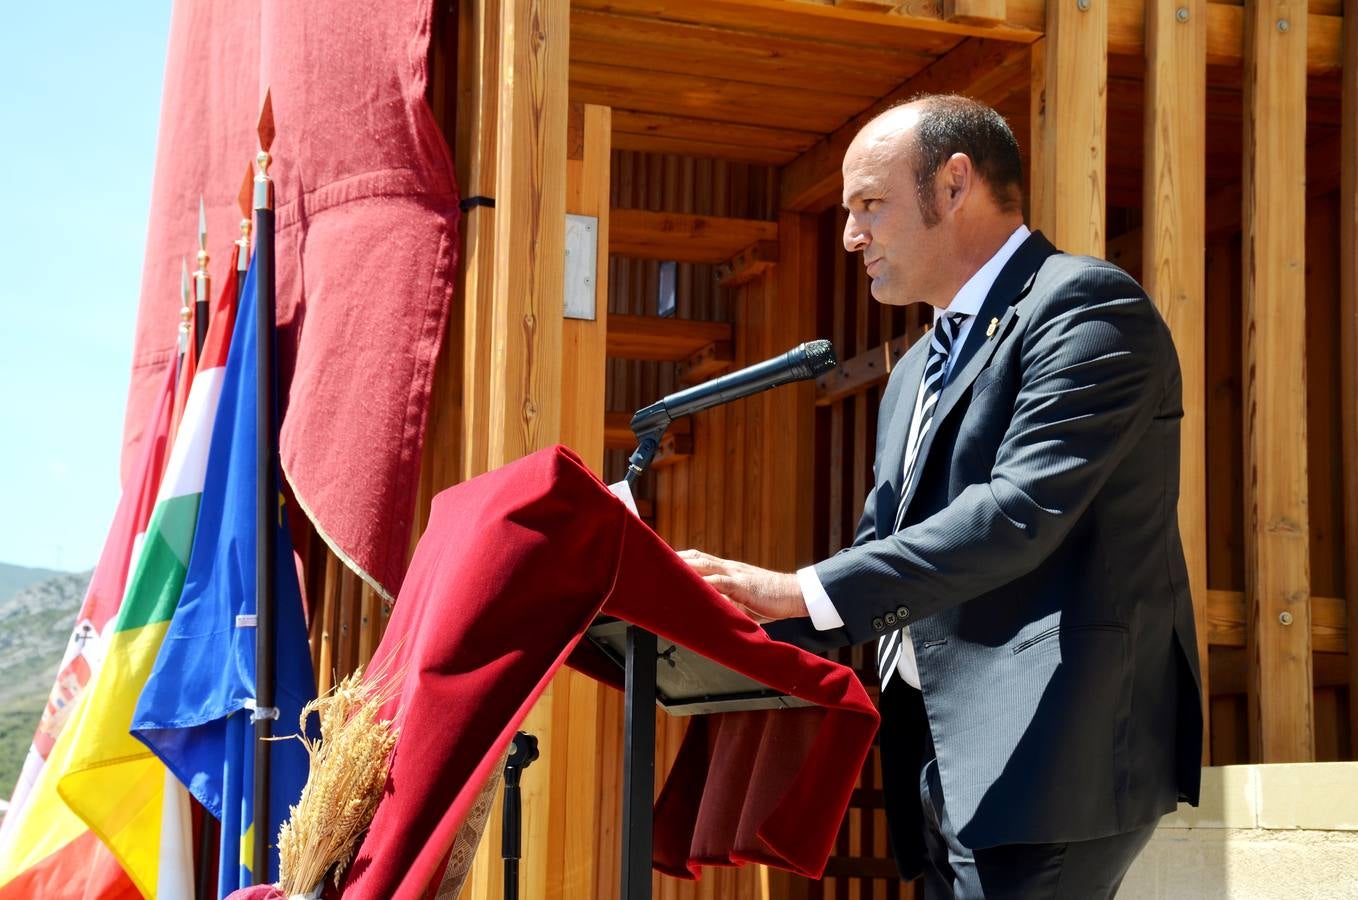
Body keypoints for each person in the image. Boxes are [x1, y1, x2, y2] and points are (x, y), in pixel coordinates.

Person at [678, 95, 1202, 899]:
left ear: (955, 185)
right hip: (938, 756)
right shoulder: (916, 367)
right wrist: (728, 621)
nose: (853, 234)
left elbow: (1016, 512)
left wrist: (796, 592)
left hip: (1054, 751)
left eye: (870, 204)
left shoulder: (1086, 307)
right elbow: (879, 546)